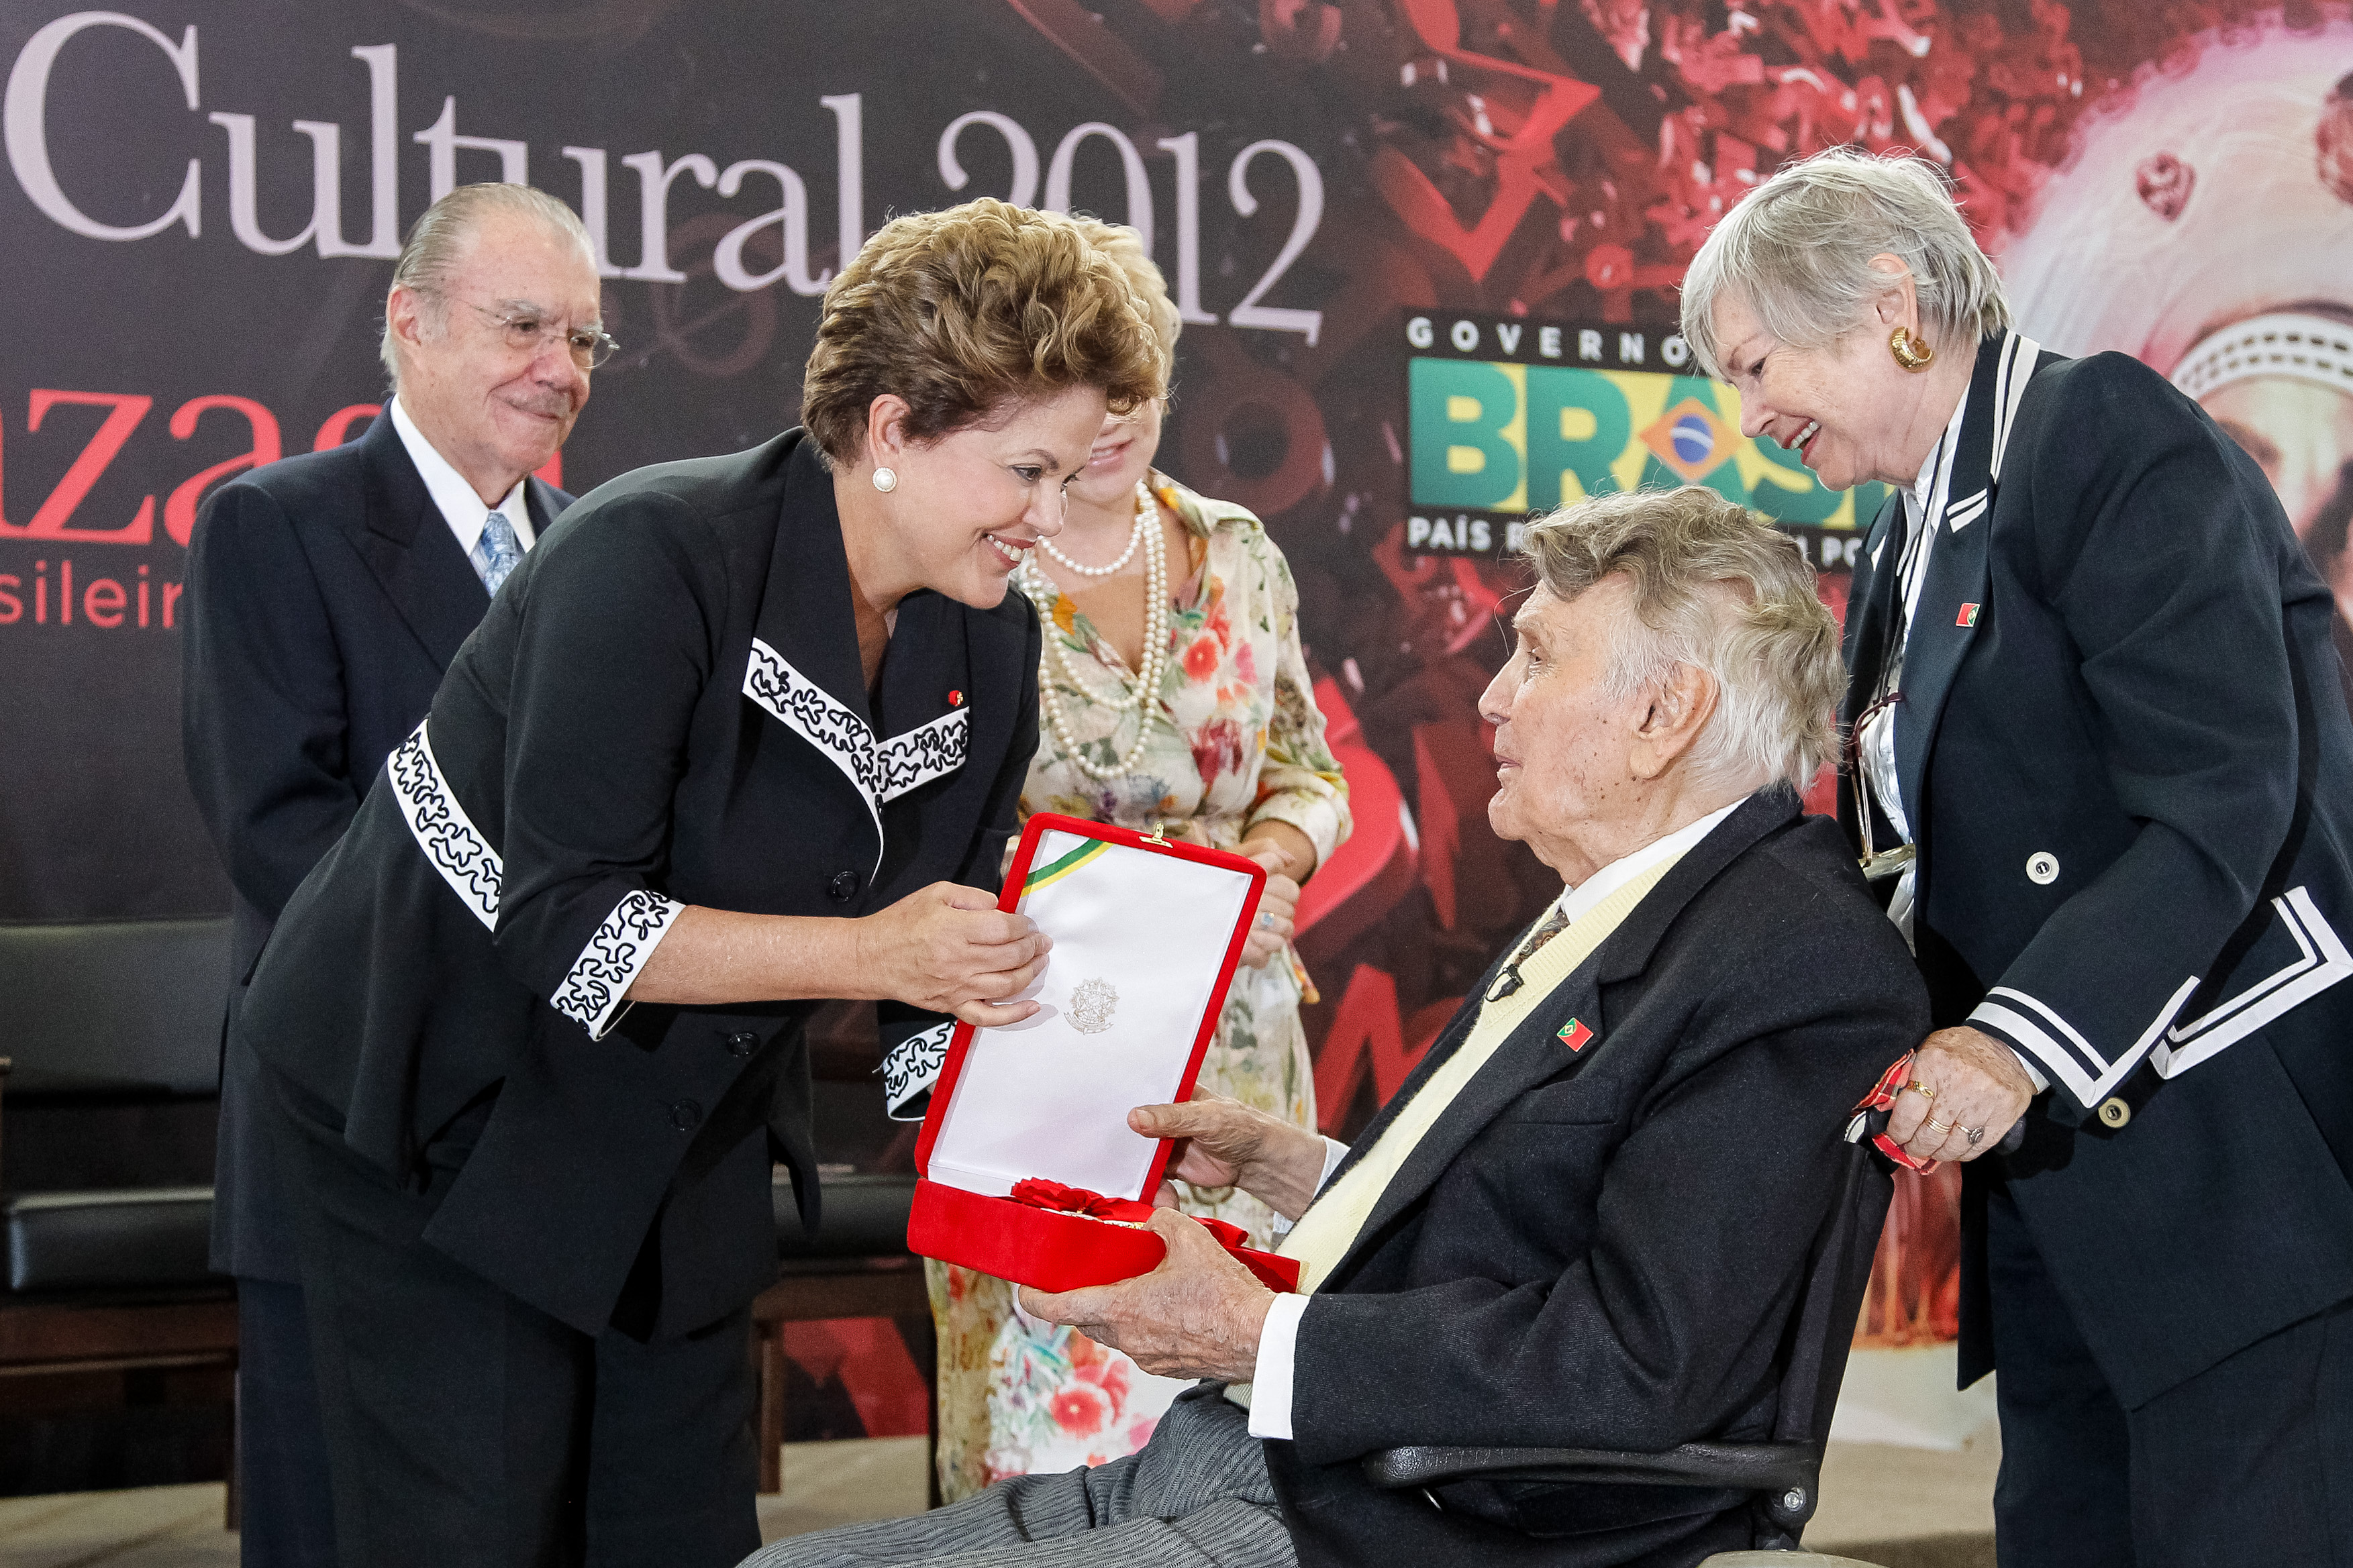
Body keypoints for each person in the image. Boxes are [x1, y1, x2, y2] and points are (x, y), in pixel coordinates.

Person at [230, 197, 1166, 1568]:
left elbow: (944, 972)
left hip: (684, 1125)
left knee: (678, 1531)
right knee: (475, 1529)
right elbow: (569, 924)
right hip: (445, 1103)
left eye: (1069, 475)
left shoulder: (998, 641)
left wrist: (1100, 1141)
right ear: (894, 428)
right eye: (1026, 471)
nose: (1049, 516)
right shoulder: (651, 552)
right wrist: (874, 955)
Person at [748, 486, 1928, 1568]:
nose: (1491, 696)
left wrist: (1250, 1329)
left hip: (1419, 1522)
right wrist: (1304, 1166)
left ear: (1663, 713)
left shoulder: (1791, 958)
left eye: (1536, 657)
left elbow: (1632, 1359)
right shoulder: (1635, 899)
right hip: (1276, 1461)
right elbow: (1525, 1213)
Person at [1681, 146, 2353, 1564]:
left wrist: (2008, 1047)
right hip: (2066, 1183)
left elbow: (2221, 794)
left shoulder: (2098, 428)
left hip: (2234, 1180)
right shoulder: (1901, 542)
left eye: (1754, 365)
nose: (1747, 417)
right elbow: (1898, 867)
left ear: (1885, 299)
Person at [181, 180, 596, 1568]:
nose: (561, 367)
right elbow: (277, 829)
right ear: (410, 323)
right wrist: (544, 961)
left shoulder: (607, 556)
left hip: (551, 1150)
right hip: (353, 1122)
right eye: (525, 323)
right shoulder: (276, 525)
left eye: (587, 340)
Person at [915, 219, 1350, 1499]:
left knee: (1222, 1393)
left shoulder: (1238, 550)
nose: (1110, 424)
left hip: (1239, 1035)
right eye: (1082, 396)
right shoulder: (967, 557)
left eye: (1135, 392)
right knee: (1044, 1413)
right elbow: (916, 815)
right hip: (1047, 1018)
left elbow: (1310, 772)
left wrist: (1273, 856)